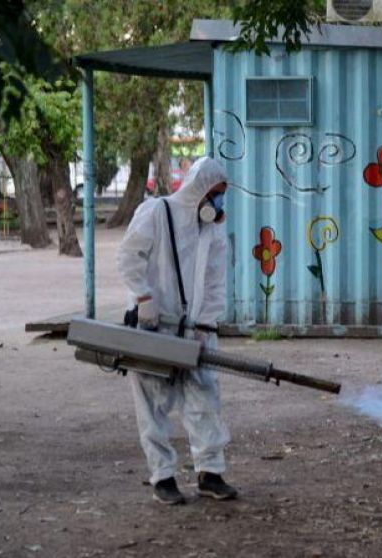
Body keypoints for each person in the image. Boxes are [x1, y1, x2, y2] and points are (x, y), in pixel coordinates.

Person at [116, 156, 237, 505]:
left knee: (204, 396)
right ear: (199, 189)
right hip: (154, 321)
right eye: (215, 194)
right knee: (153, 400)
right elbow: (128, 256)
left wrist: (207, 323)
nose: (218, 203)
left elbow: (215, 281)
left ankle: (210, 473)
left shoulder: (212, 229)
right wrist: (143, 297)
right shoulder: (156, 212)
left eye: (222, 196)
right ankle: (163, 477)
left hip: (194, 328)